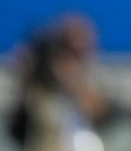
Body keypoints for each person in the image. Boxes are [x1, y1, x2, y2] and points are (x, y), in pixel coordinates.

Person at [8, 13, 110, 151]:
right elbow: (32, 117)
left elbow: (98, 112)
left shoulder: (88, 77)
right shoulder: (40, 88)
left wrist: (74, 80)